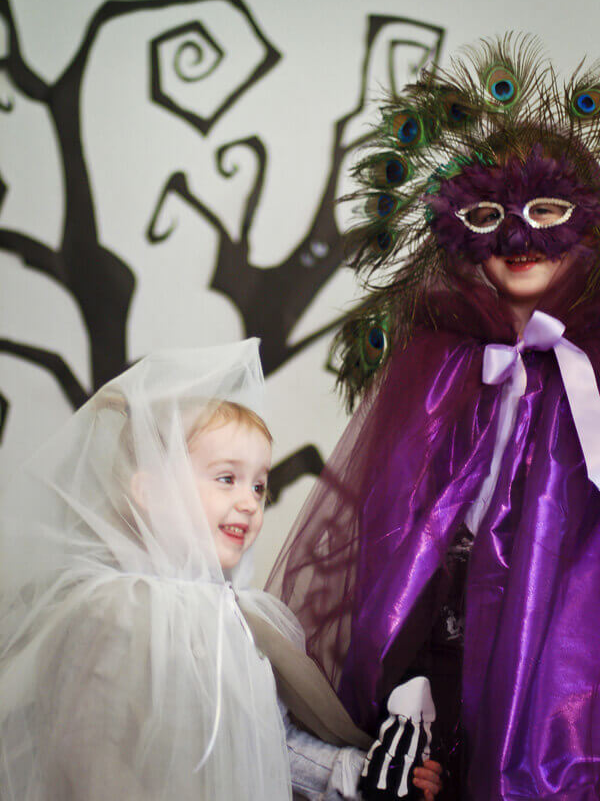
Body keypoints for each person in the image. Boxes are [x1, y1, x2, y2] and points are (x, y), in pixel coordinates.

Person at [267, 36, 600, 799]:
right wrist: (406, 677)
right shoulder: (433, 372)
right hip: (446, 675)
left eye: (547, 210)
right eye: (490, 216)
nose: (519, 238)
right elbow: (400, 540)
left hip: (569, 686)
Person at [0, 339, 442, 801]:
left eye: (259, 485)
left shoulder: (240, 618)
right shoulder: (117, 610)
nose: (249, 501)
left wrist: (354, 772)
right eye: (227, 478)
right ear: (149, 491)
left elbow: (265, 743)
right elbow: (87, 757)